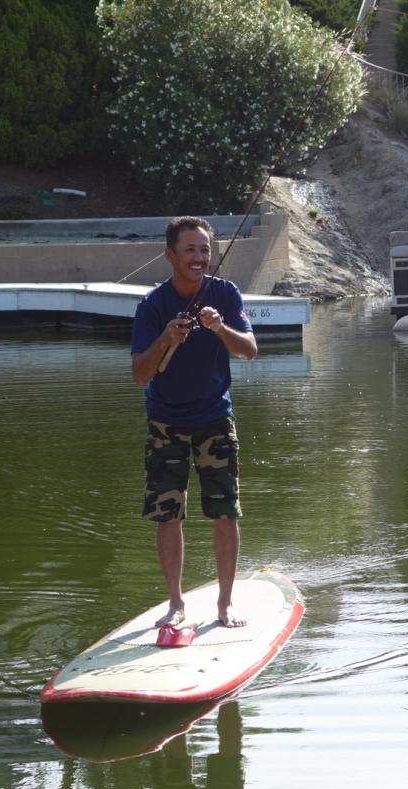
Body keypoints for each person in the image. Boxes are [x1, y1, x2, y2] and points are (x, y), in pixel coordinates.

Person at [131, 215, 257, 628]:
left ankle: (225, 605)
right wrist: (166, 338)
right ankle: (175, 603)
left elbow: (249, 350)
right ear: (170, 255)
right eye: (190, 250)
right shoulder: (152, 305)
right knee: (168, 515)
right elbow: (139, 374)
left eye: (205, 249)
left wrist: (220, 328)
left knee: (226, 513)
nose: (200, 257)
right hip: (166, 422)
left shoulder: (225, 292)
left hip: (215, 419)